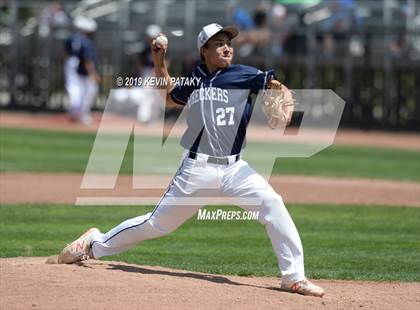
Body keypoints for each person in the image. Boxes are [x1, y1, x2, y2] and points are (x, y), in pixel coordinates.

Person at [57, 23, 325, 297]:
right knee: (157, 225)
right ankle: (93, 244)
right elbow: (170, 96)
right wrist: (159, 59)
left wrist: (286, 107)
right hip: (197, 169)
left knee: (273, 204)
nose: (226, 47)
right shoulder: (195, 79)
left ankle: (294, 277)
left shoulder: (242, 74)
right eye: (219, 43)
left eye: (228, 43)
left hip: (235, 168)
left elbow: (277, 86)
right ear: (204, 50)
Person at [65, 16, 100, 124]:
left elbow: (65, 53)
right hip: (82, 69)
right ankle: (82, 115)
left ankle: (76, 114)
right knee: (87, 92)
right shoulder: (86, 42)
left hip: (73, 65)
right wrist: (94, 74)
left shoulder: (72, 37)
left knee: (78, 92)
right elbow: (87, 61)